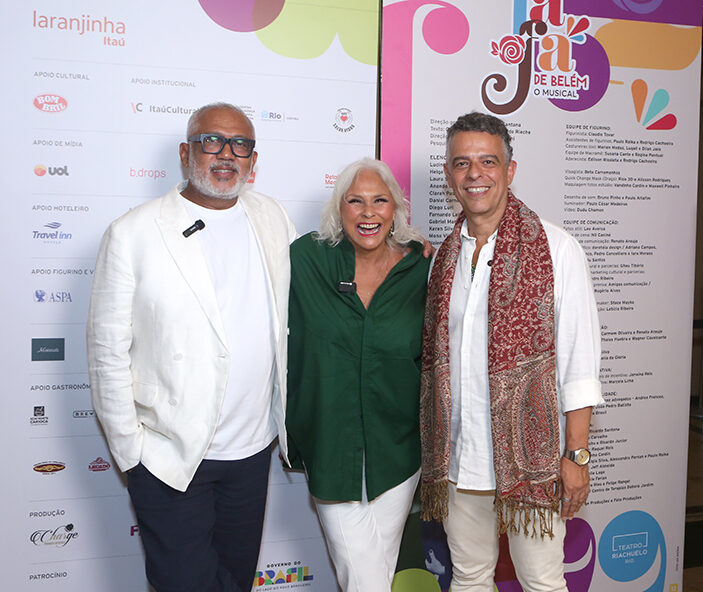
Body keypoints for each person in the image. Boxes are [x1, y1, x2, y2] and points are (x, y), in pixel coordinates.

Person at [86, 102, 296, 592]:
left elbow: (322, 277)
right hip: (169, 455)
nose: (226, 154)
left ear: (253, 160)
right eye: (212, 141)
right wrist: (132, 452)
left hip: (251, 452)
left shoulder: (272, 216)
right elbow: (106, 351)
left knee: (235, 581)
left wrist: (402, 249)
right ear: (186, 153)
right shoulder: (133, 232)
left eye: (240, 145)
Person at [420, 112, 603, 592]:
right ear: (449, 175)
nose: (474, 174)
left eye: (488, 161)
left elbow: (579, 362)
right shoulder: (445, 258)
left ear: (510, 170)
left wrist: (576, 456)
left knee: (541, 580)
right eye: (462, 163)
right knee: (469, 577)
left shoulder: (557, 249)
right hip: (460, 456)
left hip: (532, 460)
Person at [286, 158, 431, 592]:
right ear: (340, 208)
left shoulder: (421, 268)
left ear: (395, 209)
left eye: (379, 201)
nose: (368, 212)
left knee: (374, 573)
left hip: (399, 449)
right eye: (356, 201)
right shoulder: (305, 259)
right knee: (365, 577)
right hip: (330, 446)